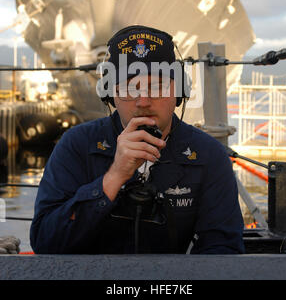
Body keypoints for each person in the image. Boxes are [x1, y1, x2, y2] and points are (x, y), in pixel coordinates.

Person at [30, 25, 245, 254]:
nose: (143, 101)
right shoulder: (77, 145)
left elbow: (223, 251)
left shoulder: (208, 155)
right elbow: (45, 241)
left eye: (158, 86)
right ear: (109, 94)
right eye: (129, 88)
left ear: (180, 91)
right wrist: (114, 177)